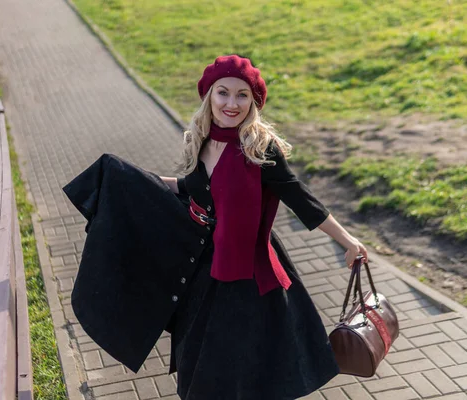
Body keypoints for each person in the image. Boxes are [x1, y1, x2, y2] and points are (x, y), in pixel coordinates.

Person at [63, 55, 368, 400]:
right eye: (223, 93)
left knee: (236, 371)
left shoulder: (258, 148)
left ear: (254, 102)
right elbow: (194, 188)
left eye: (242, 95)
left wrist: (347, 240)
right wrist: (129, 180)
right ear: (209, 96)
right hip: (206, 273)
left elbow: (300, 199)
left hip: (250, 280)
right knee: (198, 363)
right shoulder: (204, 139)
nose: (231, 103)